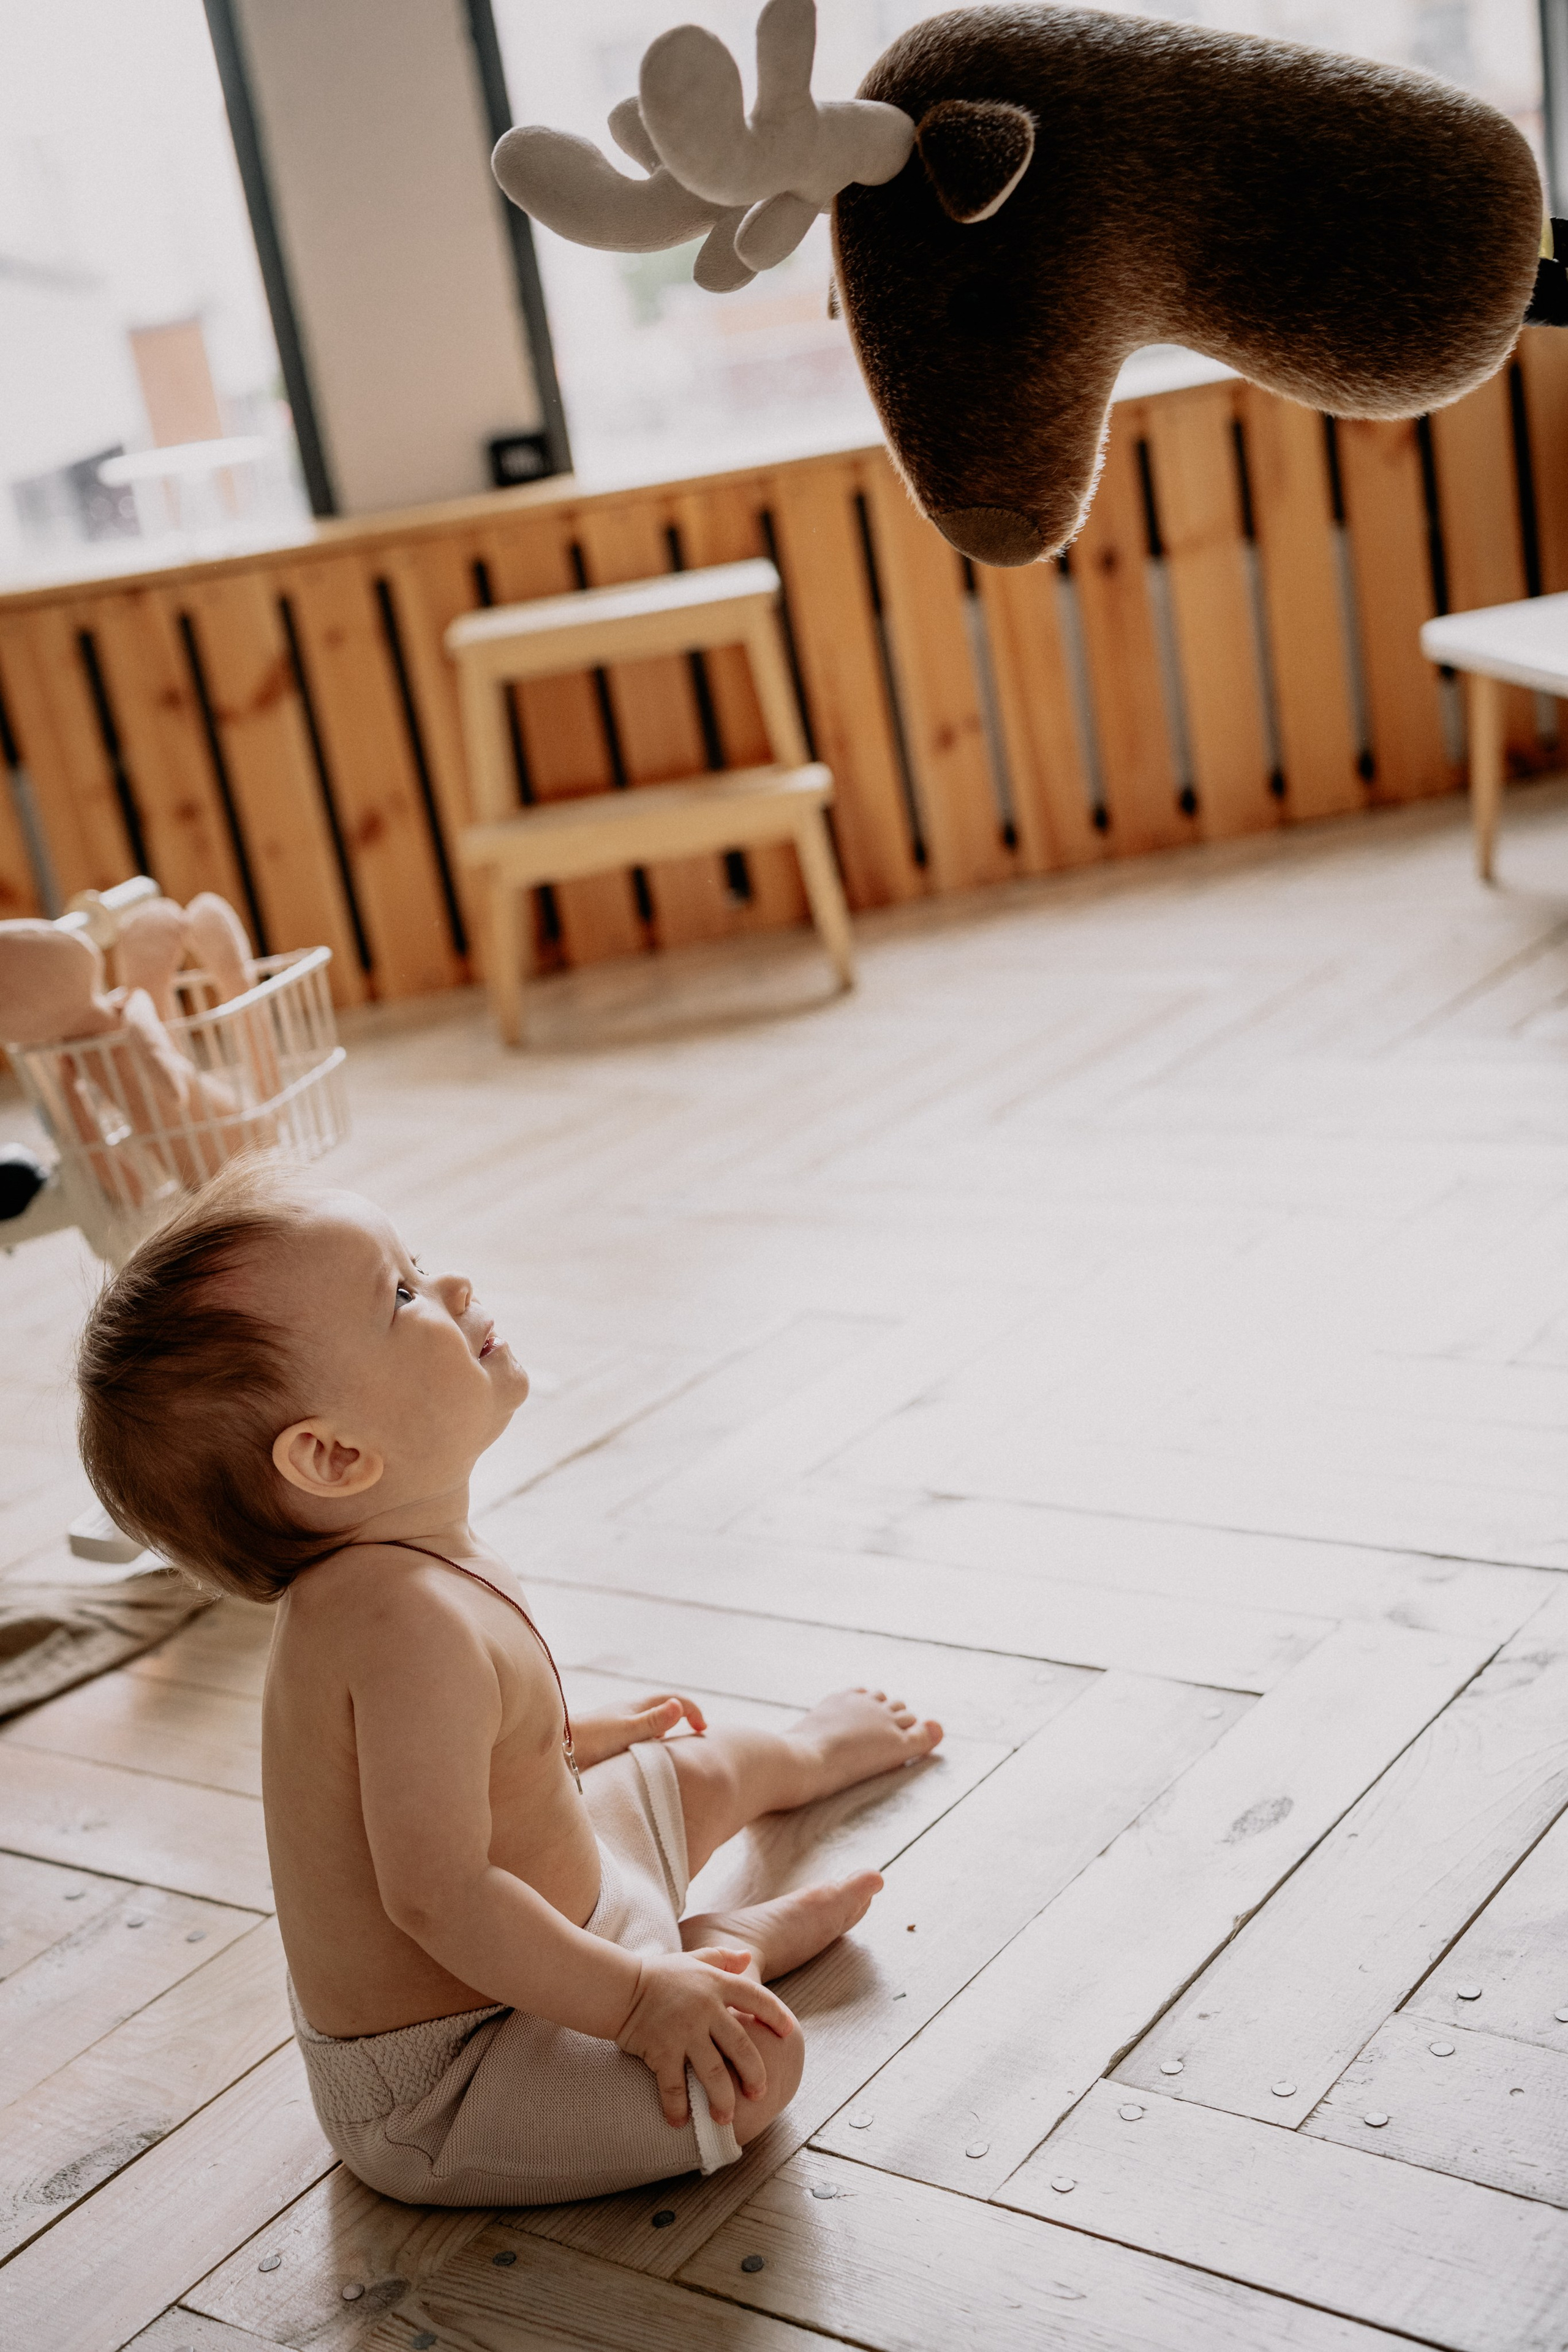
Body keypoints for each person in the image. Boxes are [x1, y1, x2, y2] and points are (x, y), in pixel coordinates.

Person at [75, 1161, 943, 2204]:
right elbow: (438, 1897)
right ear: (335, 1457)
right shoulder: (397, 1626)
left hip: (564, 1921)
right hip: (467, 2067)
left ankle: (795, 1766)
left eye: (418, 1263)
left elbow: (455, 1764)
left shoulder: (413, 1559)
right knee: (760, 2067)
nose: (451, 1287)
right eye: (402, 1295)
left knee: (688, 1767)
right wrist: (634, 2001)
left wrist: (564, 1743)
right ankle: (707, 1957)